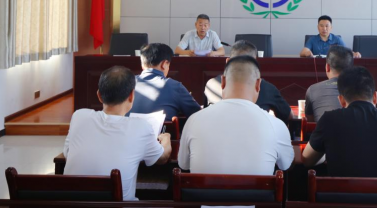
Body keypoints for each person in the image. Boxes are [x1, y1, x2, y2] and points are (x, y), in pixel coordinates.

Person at [63, 66, 172, 201]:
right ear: (132, 96)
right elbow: (162, 158)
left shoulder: (79, 116)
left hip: (73, 203)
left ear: (99, 95)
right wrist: (166, 138)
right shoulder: (141, 127)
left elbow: (68, 154)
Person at [179, 56, 294, 174]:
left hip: (203, 187)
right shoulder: (276, 125)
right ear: (258, 84)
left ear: (223, 82)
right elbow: (285, 164)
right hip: (257, 187)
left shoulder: (194, 120)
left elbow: (183, 164)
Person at [204, 40, 292, 122]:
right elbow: (288, 116)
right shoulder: (268, 88)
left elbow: (205, 114)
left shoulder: (211, 84)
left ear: (228, 61)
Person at [131, 43, 201, 119]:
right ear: (164, 64)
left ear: (142, 65)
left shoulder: (127, 83)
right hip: (161, 127)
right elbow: (198, 115)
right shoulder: (175, 86)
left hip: (127, 127)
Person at [304, 45, 354, 122]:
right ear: (351, 69)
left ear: (327, 67)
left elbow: (310, 121)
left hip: (324, 129)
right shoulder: (361, 90)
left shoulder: (312, 90)